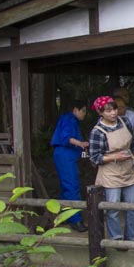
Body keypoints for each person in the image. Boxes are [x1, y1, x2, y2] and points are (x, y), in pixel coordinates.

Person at [88, 95, 134, 242]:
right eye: (108, 111)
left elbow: (133, 144)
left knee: (133, 207)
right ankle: (116, 238)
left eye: (114, 109)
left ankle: (132, 238)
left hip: (129, 170)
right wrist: (114, 157)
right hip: (110, 174)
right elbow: (94, 157)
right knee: (112, 209)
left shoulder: (125, 122)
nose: (113, 113)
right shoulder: (97, 132)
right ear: (100, 113)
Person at [50, 99, 89, 232]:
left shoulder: (71, 120)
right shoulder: (70, 119)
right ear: (75, 110)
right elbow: (66, 137)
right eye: (83, 110)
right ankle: (75, 220)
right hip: (65, 155)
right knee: (72, 186)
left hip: (66, 155)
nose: (84, 113)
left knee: (67, 186)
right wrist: (82, 144)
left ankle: (63, 215)